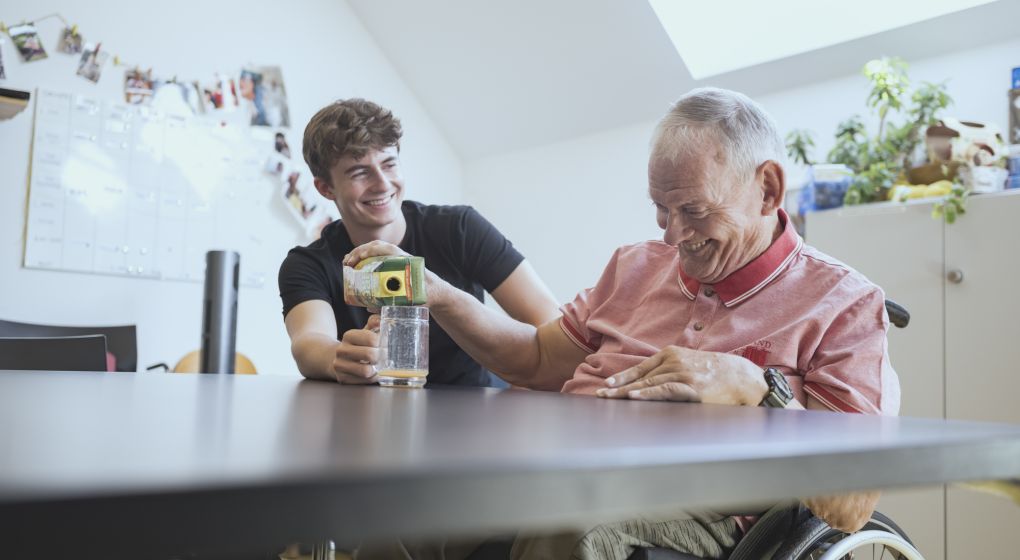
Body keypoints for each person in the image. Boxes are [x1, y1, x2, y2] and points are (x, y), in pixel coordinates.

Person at [344, 88, 901, 559]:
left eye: (695, 212)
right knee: (395, 511)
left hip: (690, 508)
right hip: (561, 465)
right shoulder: (634, 265)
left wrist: (759, 390)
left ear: (769, 189)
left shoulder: (842, 303)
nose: (672, 237)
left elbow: (850, 503)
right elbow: (536, 360)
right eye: (662, 210)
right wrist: (436, 293)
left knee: (565, 525)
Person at [278, 98, 559, 388]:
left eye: (389, 164)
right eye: (360, 172)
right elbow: (309, 342)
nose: (383, 184)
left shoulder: (459, 229)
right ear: (325, 188)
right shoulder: (308, 263)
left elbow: (550, 322)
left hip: (473, 408)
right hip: (368, 417)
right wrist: (337, 358)